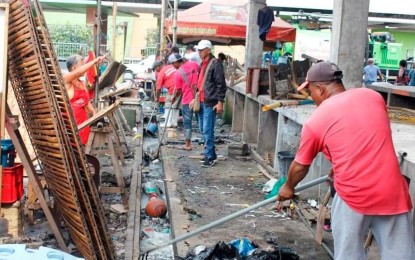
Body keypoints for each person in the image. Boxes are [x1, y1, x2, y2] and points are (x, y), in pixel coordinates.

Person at [277, 62, 415, 260]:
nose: (311, 97)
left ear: (320, 89)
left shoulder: (316, 121)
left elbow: (300, 166)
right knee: (401, 256)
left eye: (310, 91)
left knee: (348, 255)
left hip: (353, 196)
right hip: (391, 191)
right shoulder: (373, 97)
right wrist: (340, 164)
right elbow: (366, 135)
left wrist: (288, 187)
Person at [196, 40, 227, 167]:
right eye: (198, 50)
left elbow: (221, 84)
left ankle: (210, 156)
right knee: (203, 129)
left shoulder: (215, 64)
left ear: (208, 50)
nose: (199, 52)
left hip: (210, 101)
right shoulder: (202, 64)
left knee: (207, 130)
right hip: (203, 100)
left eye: (201, 50)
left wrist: (220, 102)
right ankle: (210, 154)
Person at [63, 54, 105, 145]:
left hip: (83, 125)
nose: (85, 68)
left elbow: (85, 102)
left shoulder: (82, 83)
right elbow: (78, 73)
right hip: (71, 126)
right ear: (74, 68)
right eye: (82, 65)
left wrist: (94, 112)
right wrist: (94, 61)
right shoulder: (66, 79)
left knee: (82, 151)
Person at [169, 53, 199, 150]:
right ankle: (207, 144)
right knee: (201, 122)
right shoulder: (194, 64)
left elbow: (178, 90)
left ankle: (188, 144)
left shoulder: (178, 73)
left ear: (177, 62)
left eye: (173, 64)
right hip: (199, 98)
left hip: (187, 100)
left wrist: (173, 97)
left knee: (187, 123)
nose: (173, 66)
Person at [156, 56, 178, 128]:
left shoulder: (161, 73)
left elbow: (158, 88)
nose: (156, 70)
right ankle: (174, 122)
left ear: (158, 67)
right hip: (180, 86)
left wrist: (157, 98)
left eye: (155, 69)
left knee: (168, 105)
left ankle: (167, 123)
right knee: (176, 105)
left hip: (173, 88)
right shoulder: (169, 66)